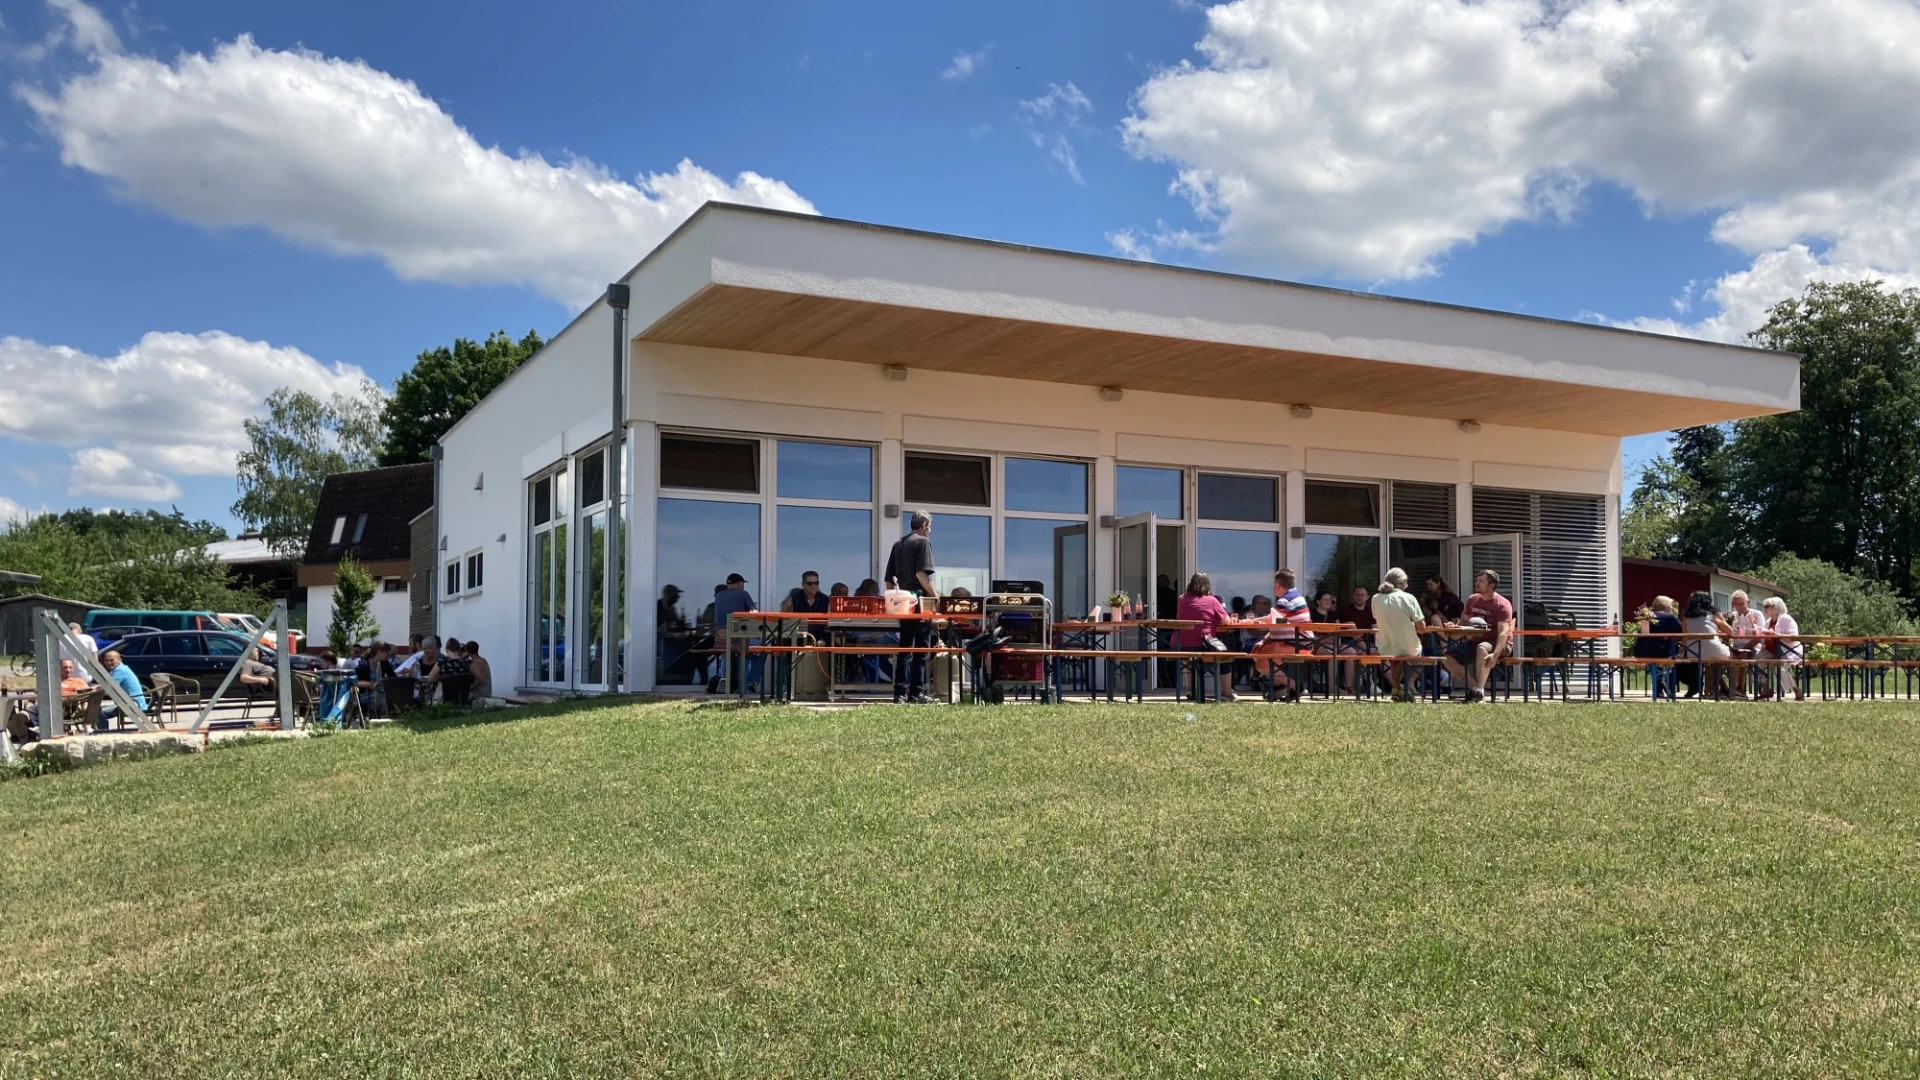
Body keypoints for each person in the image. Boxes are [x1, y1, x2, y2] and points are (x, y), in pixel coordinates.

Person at [884, 512, 938, 704]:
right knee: (922, 648)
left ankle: (899, 694)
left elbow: (888, 580)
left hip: (901, 602)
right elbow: (921, 575)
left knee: (904, 647)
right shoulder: (923, 543)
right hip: (919, 601)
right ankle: (916, 693)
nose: (929, 530)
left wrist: (892, 602)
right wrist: (935, 596)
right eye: (929, 526)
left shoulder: (898, 544)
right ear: (924, 524)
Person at [1441, 569, 1513, 703]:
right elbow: (1463, 623)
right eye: (1476, 580)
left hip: (1499, 643)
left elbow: (1503, 632)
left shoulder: (1502, 604)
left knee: (1482, 648)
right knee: (1446, 657)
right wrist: (1453, 627)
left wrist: (1495, 654)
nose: (1477, 583)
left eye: (1481, 581)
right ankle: (1474, 687)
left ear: (1491, 585)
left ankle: (1479, 692)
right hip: (1474, 641)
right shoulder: (1473, 600)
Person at [1173, 572, 1236, 702]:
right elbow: (1227, 622)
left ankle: (1190, 689)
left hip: (1181, 645)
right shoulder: (1212, 600)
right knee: (1223, 658)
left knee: (1188, 660)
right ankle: (1227, 692)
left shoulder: (1181, 599)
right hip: (1204, 643)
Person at [1371, 568, 1427, 701]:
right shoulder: (1408, 597)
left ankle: (1397, 687)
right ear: (1402, 583)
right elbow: (1422, 628)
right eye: (1406, 582)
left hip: (1385, 645)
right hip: (1409, 647)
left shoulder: (1375, 598)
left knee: (1396, 659)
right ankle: (1408, 685)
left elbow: (1378, 618)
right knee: (1421, 655)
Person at [7, 659, 94, 741]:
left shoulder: (78, 681)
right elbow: (36, 692)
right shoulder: (50, 680)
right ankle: (24, 743)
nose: (67, 670)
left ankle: (27, 738)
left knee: (13, 719)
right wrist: (30, 702)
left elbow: (87, 695)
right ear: (58, 668)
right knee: (18, 717)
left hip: (61, 708)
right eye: (64, 667)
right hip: (40, 706)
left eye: (70, 667)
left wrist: (83, 708)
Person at [711, 573, 759, 693]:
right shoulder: (743, 594)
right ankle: (749, 683)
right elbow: (755, 613)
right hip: (738, 639)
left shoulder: (719, 596)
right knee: (759, 648)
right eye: (743, 584)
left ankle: (725, 678)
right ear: (739, 583)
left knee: (731, 650)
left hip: (720, 639)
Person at [1679, 591, 1734, 699]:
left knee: (1710, 662)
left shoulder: (1686, 616)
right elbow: (1730, 632)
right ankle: (1734, 689)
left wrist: (1681, 652)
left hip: (1693, 652)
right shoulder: (1714, 614)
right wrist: (1717, 633)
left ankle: (1717, 689)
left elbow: (1685, 637)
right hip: (1713, 650)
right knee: (1733, 657)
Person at [1632, 596, 1683, 700]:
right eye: (1670, 606)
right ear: (1666, 606)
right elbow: (1682, 634)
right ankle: (1668, 688)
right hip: (1662, 652)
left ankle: (1659, 687)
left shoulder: (1646, 617)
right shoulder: (1670, 618)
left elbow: (1640, 633)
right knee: (1674, 652)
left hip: (1641, 651)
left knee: (1654, 654)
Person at [1759, 596, 1805, 701]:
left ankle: (1797, 690)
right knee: (1757, 661)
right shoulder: (1767, 622)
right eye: (1765, 606)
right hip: (1773, 650)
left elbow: (1793, 638)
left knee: (1778, 667)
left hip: (1790, 650)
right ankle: (1766, 688)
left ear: (1776, 607)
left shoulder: (1787, 619)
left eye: (1768, 606)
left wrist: (1776, 634)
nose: (1765, 609)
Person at [1727, 590, 1766, 697]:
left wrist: (1745, 647)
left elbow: (1759, 637)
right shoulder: (1731, 616)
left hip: (1753, 647)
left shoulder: (1757, 615)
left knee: (1742, 654)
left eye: (1741, 604)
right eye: (1736, 604)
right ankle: (1729, 689)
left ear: (1748, 602)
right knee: (1717, 658)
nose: (1739, 607)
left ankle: (1739, 687)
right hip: (1735, 647)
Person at [96, 650, 148, 730]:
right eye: (106, 660)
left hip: (133, 705)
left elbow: (108, 688)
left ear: (120, 659)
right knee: (98, 711)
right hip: (134, 703)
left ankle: (103, 732)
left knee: (96, 713)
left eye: (112, 660)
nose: (109, 663)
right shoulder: (121, 669)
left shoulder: (120, 671)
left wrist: (94, 690)